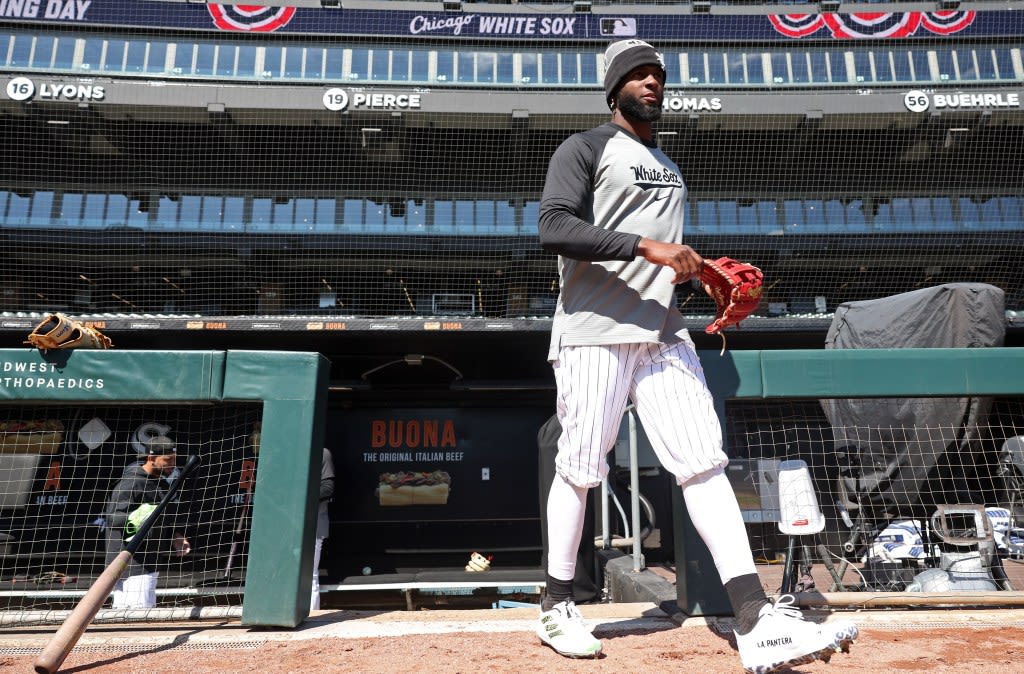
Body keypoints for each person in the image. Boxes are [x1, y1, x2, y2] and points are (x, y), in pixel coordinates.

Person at [534, 38, 858, 672]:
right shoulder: (587, 146)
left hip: (663, 330)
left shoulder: (668, 163)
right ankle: (556, 605)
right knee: (579, 467)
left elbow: (665, 255)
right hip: (594, 329)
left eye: (657, 73)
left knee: (704, 464)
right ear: (614, 86)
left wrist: (697, 269)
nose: (651, 80)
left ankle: (753, 618)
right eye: (637, 72)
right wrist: (652, 249)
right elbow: (554, 226)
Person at [103, 434, 191, 609]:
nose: (172, 464)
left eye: (174, 459)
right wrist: (140, 516)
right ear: (151, 458)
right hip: (131, 566)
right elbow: (113, 519)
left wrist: (176, 536)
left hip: (149, 562)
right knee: (134, 619)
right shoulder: (131, 482)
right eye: (168, 459)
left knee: (140, 615)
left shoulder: (161, 484)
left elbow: (161, 518)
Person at [311, 447, 335, 611]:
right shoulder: (287, 450)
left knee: (309, 576)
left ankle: (312, 617)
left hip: (314, 523)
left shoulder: (322, 452)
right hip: (286, 524)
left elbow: (328, 487)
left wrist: (300, 494)